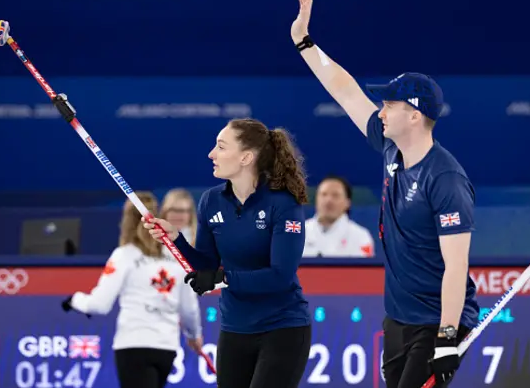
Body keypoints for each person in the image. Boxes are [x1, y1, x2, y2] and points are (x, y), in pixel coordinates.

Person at [290, 0, 480, 388]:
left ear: (414, 116)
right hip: (398, 316)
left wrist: (447, 336)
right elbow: (345, 90)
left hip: (435, 321)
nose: (380, 110)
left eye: (389, 106)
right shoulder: (391, 147)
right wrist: (305, 43)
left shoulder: (446, 179)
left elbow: (456, 266)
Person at [143, 118, 312, 388]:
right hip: (234, 329)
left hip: (283, 328)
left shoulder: (284, 203)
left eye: (221, 147)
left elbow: (280, 276)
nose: (211, 154)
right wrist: (176, 240)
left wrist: (222, 279)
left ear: (246, 157)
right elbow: (207, 264)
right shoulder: (211, 200)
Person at [61, 191, 204, 388]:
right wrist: (194, 335)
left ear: (126, 221)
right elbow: (189, 308)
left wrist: (74, 300)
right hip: (166, 349)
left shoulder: (124, 256)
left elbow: (100, 305)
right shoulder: (178, 258)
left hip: (134, 344)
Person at [303, 175, 375, 258]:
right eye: (324, 194)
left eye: (335, 195)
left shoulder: (361, 236)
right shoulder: (300, 232)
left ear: (347, 202)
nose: (328, 200)